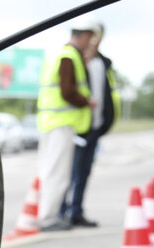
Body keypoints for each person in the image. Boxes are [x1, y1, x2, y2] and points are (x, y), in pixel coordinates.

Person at [36, 17, 98, 232]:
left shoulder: (61, 54)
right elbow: (67, 92)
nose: (89, 43)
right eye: (88, 38)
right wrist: (87, 101)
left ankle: (46, 216)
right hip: (60, 124)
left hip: (51, 123)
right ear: (82, 36)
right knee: (57, 174)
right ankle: (48, 219)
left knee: (49, 171)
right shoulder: (69, 56)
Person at [59, 22, 120, 227]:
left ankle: (76, 211)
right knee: (69, 171)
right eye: (90, 39)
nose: (93, 44)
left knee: (83, 172)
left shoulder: (102, 64)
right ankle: (60, 212)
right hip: (78, 127)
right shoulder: (76, 60)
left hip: (94, 126)